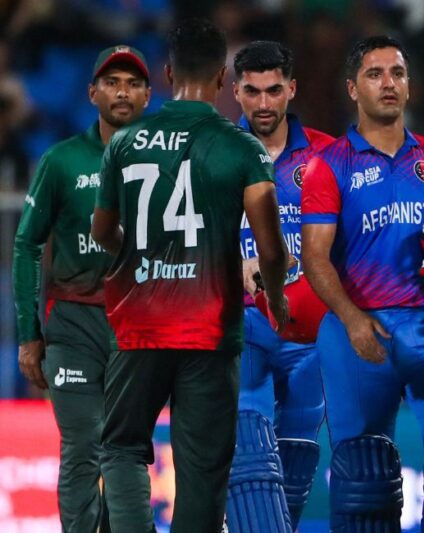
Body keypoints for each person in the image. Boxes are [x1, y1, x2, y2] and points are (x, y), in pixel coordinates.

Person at [90, 19, 290, 532]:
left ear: (167, 72)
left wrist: (139, 253)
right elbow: (271, 248)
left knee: (123, 447)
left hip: (139, 325)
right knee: (203, 469)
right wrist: (279, 301)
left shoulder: (125, 142)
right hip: (208, 329)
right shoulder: (242, 149)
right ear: (224, 78)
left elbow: (103, 230)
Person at [300, 35, 424, 532]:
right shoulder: (330, 165)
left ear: (409, 86)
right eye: (374, 74)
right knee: (364, 483)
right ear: (352, 88)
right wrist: (351, 319)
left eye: (397, 73)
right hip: (359, 333)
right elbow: (315, 258)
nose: (388, 83)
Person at [12, 44, 150, 533]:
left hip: (139, 325)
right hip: (73, 323)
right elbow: (26, 244)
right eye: (112, 82)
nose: (122, 91)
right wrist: (29, 333)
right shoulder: (62, 161)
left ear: (149, 95)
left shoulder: (169, 162)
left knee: (125, 448)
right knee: (84, 443)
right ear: (92, 93)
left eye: (133, 82)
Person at [225, 40, 334, 532]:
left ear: (292, 88)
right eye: (252, 91)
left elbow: (357, 241)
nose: (264, 104)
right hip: (242, 325)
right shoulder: (213, 156)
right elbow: (185, 243)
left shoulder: (331, 157)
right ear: (235, 91)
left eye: (274, 90)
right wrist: (235, 264)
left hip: (311, 335)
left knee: (293, 475)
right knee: (249, 461)